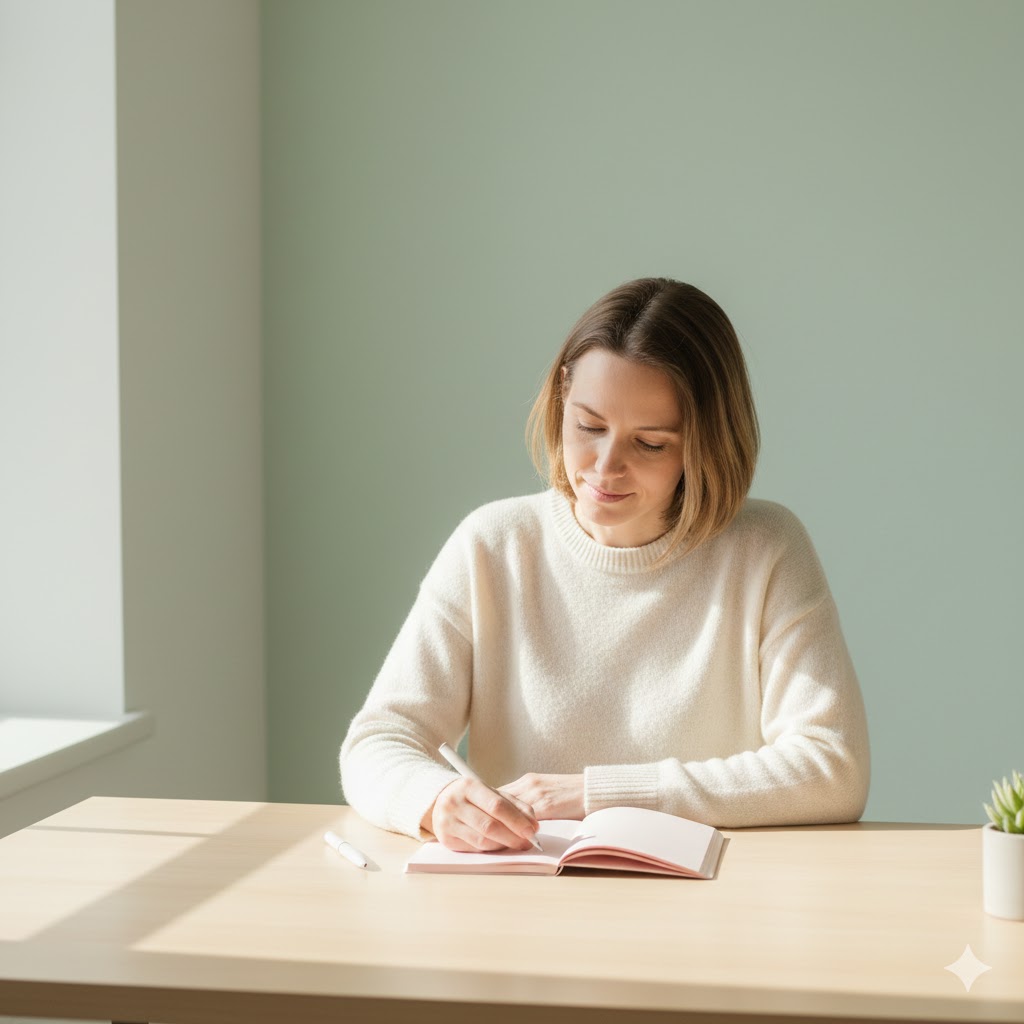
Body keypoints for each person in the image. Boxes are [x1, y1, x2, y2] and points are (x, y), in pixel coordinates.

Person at [340, 277, 870, 853]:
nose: (605, 466)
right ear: (562, 398)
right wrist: (436, 800)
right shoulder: (493, 545)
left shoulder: (766, 549)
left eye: (651, 443)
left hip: (707, 897)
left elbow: (832, 767)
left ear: (705, 444)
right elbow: (378, 741)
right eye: (589, 426)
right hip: (526, 891)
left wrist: (599, 793)